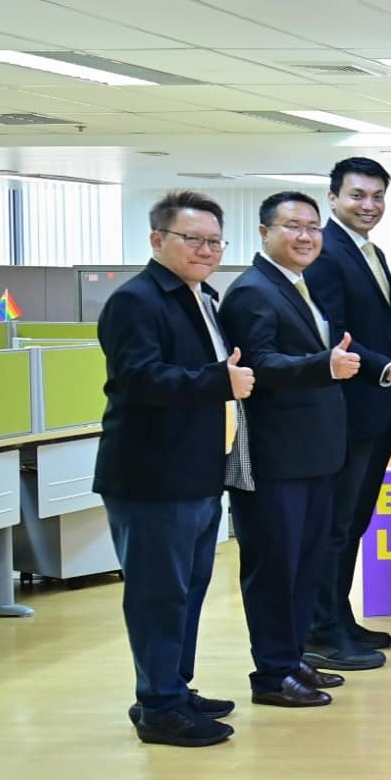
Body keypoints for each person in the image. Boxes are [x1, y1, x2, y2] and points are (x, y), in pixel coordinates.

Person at [97, 192, 254, 747]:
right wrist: (219, 382)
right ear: (157, 239)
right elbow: (139, 379)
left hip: (198, 470)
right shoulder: (135, 301)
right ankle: (158, 706)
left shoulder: (202, 297)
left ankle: (174, 688)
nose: (206, 250)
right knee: (157, 594)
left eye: (215, 241)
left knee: (187, 590)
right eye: (193, 239)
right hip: (152, 476)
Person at [221, 191, 363, 710]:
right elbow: (256, 364)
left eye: (313, 227)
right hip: (276, 458)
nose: (306, 236)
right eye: (293, 226)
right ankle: (271, 673)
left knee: (305, 565)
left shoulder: (299, 285)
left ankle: (292, 655)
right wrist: (323, 366)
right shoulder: (252, 291)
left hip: (315, 454)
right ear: (264, 232)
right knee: (274, 568)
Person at [303, 156, 391, 671]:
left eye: (377, 196)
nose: (369, 205)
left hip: (374, 412)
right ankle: (321, 631)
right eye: (358, 195)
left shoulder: (369, 250)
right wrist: (388, 369)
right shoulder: (326, 253)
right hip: (346, 414)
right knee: (335, 525)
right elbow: (333, 336)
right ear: (333, 198)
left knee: (353, 522)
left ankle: (338, 617)